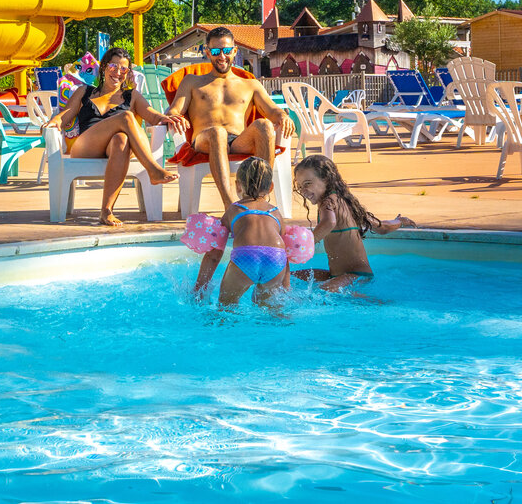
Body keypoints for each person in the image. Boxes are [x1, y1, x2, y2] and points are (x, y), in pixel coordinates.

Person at [43, 47, 186, 226]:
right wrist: (54, 122)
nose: (118, 72)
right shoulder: (85, 91)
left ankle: (107, 211)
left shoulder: (131, 96)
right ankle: (152, 169)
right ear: (103, 67)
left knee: (121, 139)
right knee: (126, 117)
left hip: (117, 149)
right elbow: (65, 115)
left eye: (123, 69)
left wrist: (166, 118)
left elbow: (152, 115)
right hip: (87, 146)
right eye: (113, 66)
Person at [166, 27, 296, 209]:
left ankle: (258, 198)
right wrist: (175, 117)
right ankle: (230, 206)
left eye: (226, 50)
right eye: (216, 51)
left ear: (234, 51)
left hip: (237, 141)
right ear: (207, 52)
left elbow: (273, 111)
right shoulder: (192, 82)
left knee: (265, 125)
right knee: (217, 133)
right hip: (204, 139)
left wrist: (283, 116)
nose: (222, 56)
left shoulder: (250, 84)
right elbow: (174, 110)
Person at [291, 154, 416, 291]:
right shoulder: (346, 203)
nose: (303, 191)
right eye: (300, 186)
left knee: (324, 291)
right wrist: (399, 221)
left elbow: (329, 222)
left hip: (356, 275)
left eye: (308, 183)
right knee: (291, 276)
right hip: (337, 275)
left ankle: (375, 304)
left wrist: (306, 243)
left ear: (326, 179)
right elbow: (383, 227)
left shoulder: (328, 202)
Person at [193, 157, 290, 307]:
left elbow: (214, 253)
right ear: (270, 187)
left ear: (238, 186)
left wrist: (200, 286)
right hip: (275, 261)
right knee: (270, 310)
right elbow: (285, 254)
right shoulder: (276, 213)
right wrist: (286, 288)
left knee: (226, 307)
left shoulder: (235, 209)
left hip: (246, 258)